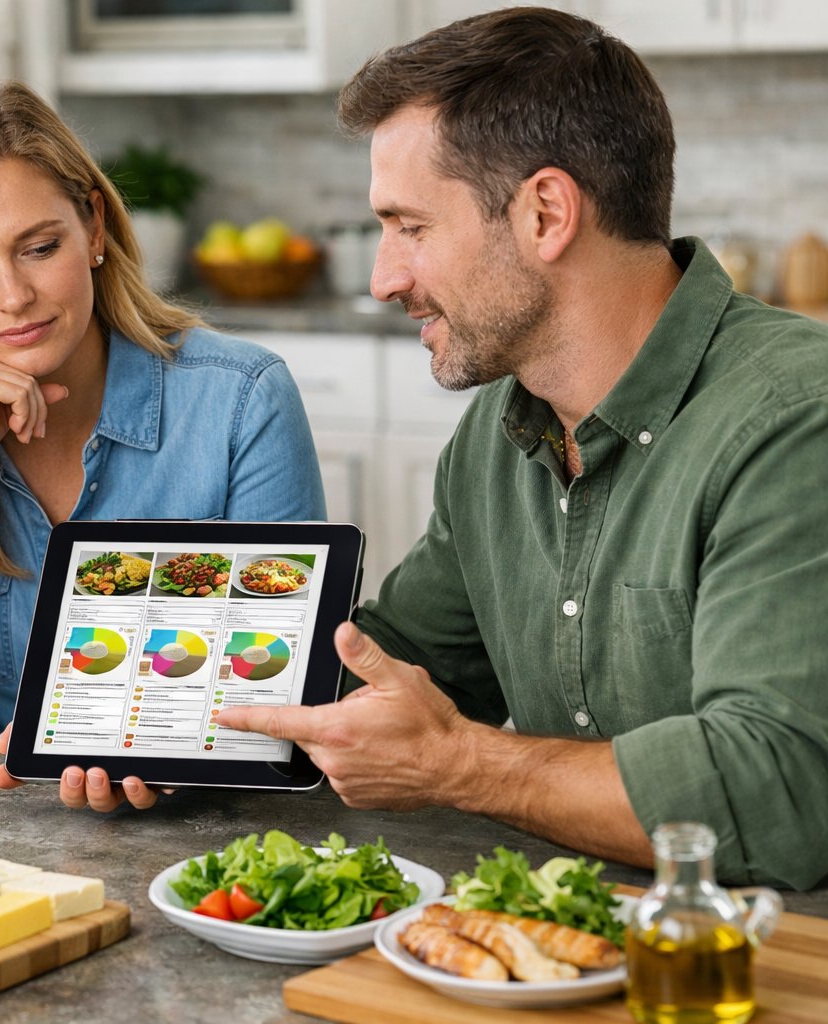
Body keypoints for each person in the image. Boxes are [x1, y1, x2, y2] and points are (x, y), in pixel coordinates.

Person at [209, 7, 828, 889]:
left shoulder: (796, 419)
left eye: (411, 227)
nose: (386, 277)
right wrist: (157, 731)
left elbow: (780, 787)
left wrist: (463, 765)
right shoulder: (505, 430)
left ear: (545, 213)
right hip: (562, 942)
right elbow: (402, 669)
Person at [0, 80, 325, 785]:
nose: (13, 297)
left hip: (192, 825)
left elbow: (278, 695)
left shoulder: (241, 399)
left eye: (40, 247)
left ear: (94, 230)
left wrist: (149, 751)